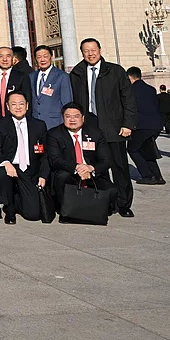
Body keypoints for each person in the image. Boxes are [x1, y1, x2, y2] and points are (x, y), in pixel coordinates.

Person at [69, 38, 138, 217]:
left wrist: (128, 124)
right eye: (86, 51)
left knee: (119, 166)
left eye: (93, 50)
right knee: (96, 167)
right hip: (90, 127)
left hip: (114, 127)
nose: (90, 53)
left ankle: (123, 203)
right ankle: (106, 201)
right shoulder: (77, 73)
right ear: (81, 52)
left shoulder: (114, 71)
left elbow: (128, 99)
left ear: (100, 50)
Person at [0, 92, 50, 223]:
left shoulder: (39, 125)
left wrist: (43, 175)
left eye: (21, 104)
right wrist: (6, 163)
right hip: (10, 166)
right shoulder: (0, 125)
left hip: (29, 168)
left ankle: (17, 198)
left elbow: (46, 154)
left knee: (33, 214)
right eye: (14, 104)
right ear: (7, 106)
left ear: (27, 106)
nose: (18, 107)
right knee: (2, 174)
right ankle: (9, 207)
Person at [46, 103, 115, 211]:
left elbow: (106, 160)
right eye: (68, 116)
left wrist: (91, 168)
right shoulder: (54, 134)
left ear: (83, 118)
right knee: (62, 177)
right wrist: (77, 168)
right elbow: (55, 160)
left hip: (91, 172)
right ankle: (65, 208)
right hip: (69, 171)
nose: (72, 119)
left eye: (76, 116)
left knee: (111, 190)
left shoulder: (96, 133)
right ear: (63, 118)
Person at [125, 67, 166, 185]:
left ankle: (148, 175)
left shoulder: (130, 90)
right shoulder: (151, 89)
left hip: (141, 125)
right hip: (155, 124)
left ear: (129, 77)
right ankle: (157, 176)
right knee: (146, 149)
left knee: (133, 149)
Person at [28, 44, 73, 130]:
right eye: (39, 57)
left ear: (51, 57)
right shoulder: (31, 76)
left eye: (45, 56)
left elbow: (67, 102)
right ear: (35, 60)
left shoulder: (61, 76)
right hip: (35, 122)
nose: (42, 59)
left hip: (55, 123)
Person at [0, 46, 33, 121]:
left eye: (8, 56)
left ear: (13, 59)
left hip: (17, 120)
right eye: (1, 56)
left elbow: (28, 100)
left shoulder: (22, 76)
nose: (5, 59)